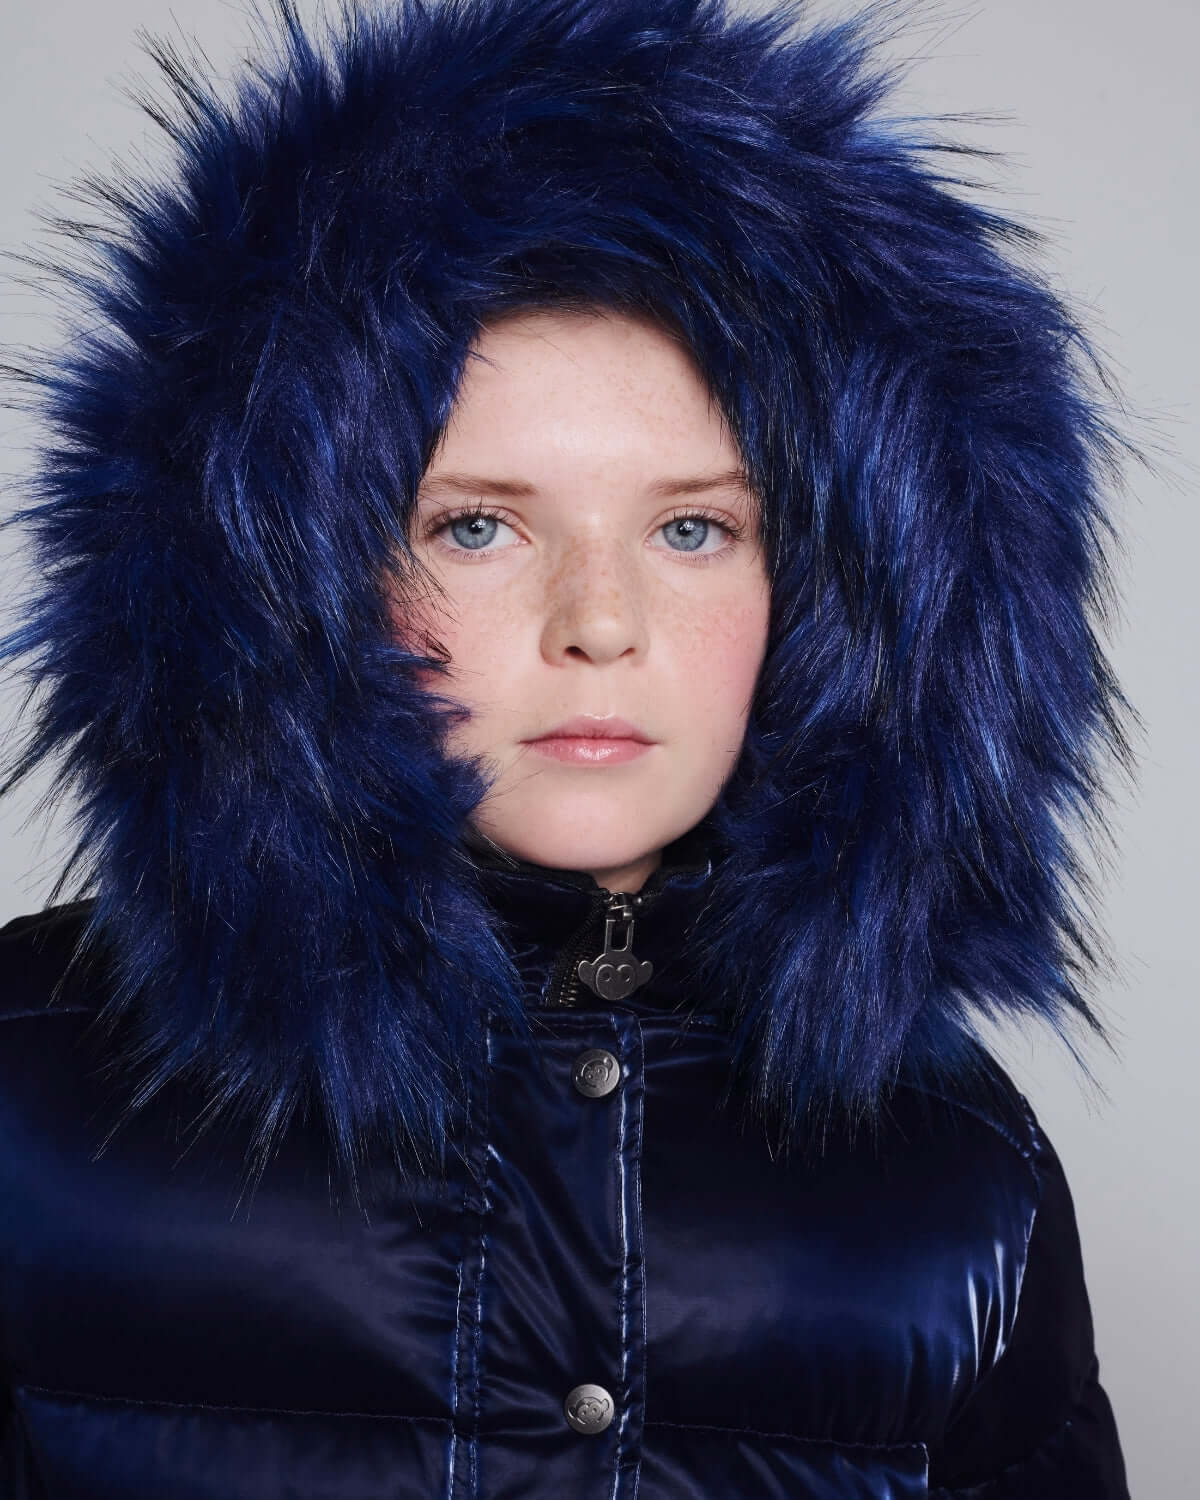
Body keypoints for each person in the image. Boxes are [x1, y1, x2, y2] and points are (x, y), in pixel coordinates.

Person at [0, 0, 1141, 1494]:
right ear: (287, 572)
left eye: (694, 529)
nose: (598, 623)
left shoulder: (961, 1169)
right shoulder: (27, 1082)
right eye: (478, 527)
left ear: (839, 589)